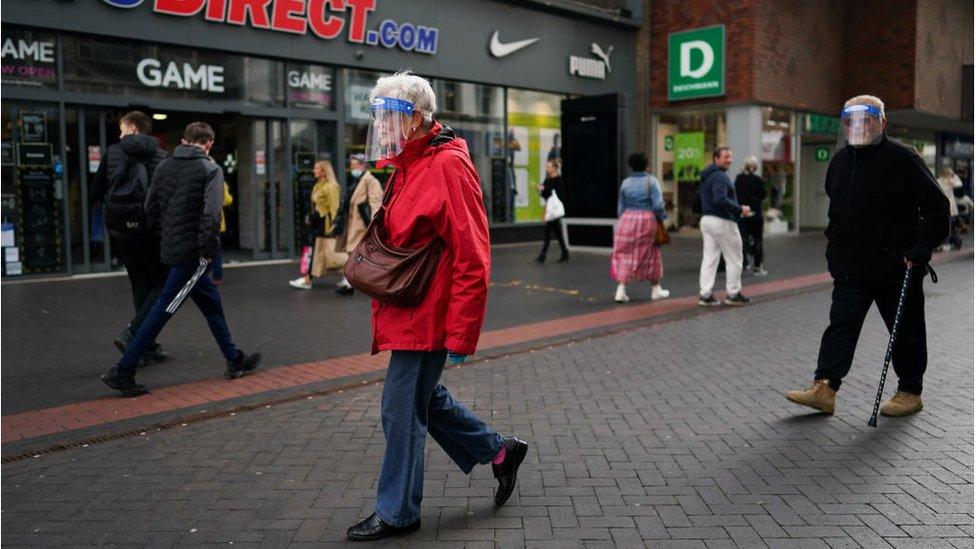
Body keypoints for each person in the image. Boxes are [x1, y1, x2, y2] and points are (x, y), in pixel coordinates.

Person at [345, 71, 528, 542]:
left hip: (427, 315)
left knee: (399, 409)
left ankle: (397, 512)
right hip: (408, 308)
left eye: (387, 116)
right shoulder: (408, 164)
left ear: (416, 118)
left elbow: (473, 254)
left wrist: (462, 334)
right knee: (424, 399)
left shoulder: (447, 165)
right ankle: (499, 452)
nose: (380, 127)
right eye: (377, 116)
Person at [786, 95, 948, 417]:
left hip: (897, 266)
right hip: (851, 268)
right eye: (851, 120)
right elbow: (836, 214)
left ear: (882, 122)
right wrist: (834, 249)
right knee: (840, 326)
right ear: (844, 124)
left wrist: (920, 247)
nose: (858, 126)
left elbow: (937, 206)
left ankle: (909, 390)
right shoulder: (840, 162)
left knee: (905, 329)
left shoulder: (903, 159)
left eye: (867, 119)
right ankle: (825, 386)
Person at [100, 122, 262, 397]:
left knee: (211, 305)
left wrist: (167, 238)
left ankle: (234, 358)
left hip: (174, 247)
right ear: (208, 143)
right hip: (194, 255)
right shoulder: (210, 169)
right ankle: (123, 370)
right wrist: (209, 250)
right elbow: (212, 215)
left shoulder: (165, 166)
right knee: (163, 308)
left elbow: (150, 207)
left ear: (185, 140)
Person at [90, 111, 170, 366]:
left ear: (133, 129)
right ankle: (135, 334)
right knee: (161, 285)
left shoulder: (113, 152)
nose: (120, 134)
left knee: (140, 285)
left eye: (122, 129)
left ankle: (146, 346)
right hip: (150, 231)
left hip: (121, 232)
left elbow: (96, 190)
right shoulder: (160, 155)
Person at [610, 152, 669, 303]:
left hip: (626, 219)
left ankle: (620, 289)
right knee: (651, 252)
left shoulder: (625, 183)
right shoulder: (652, 181)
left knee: (624, 253)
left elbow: (620, 206)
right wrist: (662, 218)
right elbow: (657, 205)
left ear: (631, 166)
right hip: (646, 219)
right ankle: (655, 289)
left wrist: (623, 220)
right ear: (647, 164)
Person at [698, 147, 751, 306]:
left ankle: (705, 294)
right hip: (722, 221)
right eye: (726, 157)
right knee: (734, 257)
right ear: (716, 158)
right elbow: (720, 198)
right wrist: (739, 209)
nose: (729, 159)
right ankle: (733, 294)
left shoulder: (707, 176)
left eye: (730, 156)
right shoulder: (720, 177)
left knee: (709, 258)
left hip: (706, 220)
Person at [333, 154, 383, 295]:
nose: (352, 168)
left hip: (361, 223)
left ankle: (350, 281)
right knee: (353, 252)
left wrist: (375, 224)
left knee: (357, 253)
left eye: (354, 165)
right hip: (352, 222)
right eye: (351, 165)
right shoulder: (356, 180)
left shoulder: (371, 181)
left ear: (363, 165)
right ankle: (350, 280)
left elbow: (375, 204)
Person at [288, 160, 341, 290]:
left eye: (316, 169)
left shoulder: (331, 187)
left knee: (323, 251)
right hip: (316, 222)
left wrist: (335, 226)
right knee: (316, 250)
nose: (313, 171)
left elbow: (334, 208)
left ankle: (308, 279)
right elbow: (316, 205)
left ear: (324, 171)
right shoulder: (318, 186)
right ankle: (308, 278)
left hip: (325, 223)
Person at [734, 156, 767, 275]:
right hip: (756, 213)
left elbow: (736, 194)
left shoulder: (738, 179)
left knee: (742, 239)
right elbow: (763, 194)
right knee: (758, 239)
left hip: (742, 213)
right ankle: (758, 267)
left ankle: (744, 263)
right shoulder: (757, 180)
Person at [535, 158, 569, 263]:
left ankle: (543, 255)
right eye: (547, 167)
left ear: (554, 168)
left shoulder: (558, 180)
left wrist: (545, 190)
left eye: (549, 167)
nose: (547, 169)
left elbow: (561, 195)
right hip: (550, 209)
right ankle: (564, 252)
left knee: (548, 233)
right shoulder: (548, 179)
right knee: (557, 233)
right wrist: (541, 190)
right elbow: (545, 195)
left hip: (554, 210)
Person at [936, 167, 962, 251]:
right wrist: (955, 176)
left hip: (939, 207)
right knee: (948, 227)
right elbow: (960, 184)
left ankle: (939, 244)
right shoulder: (951, 181)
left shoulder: (938, 180)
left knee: (939, 226)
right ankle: (946, 244)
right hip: (949, 207)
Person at [211, 181, 233, 285]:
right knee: (216, 251)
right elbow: (228, 200)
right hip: (217, 222)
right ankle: (217, 277)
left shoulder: (197, 179)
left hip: (200, 222)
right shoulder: (220, 182)